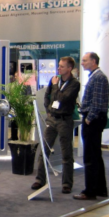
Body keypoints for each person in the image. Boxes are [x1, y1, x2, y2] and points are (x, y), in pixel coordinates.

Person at [32, 57, 80, 193]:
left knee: (67, 153)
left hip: (65, 120)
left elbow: (62, 98)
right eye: (58, 66)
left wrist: (55, 86)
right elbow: (47, 97)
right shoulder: (54, 79)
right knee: (44, 150)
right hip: (52, 119)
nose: (59, 69)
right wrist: (48, 111)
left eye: (62, 67)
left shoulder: (74, 84)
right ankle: (40, 180)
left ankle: (67, 183)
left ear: (69, 69)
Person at [75, 52, 109, 200]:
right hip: (94, 120)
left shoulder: (99, 77)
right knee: (95, 156)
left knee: (90, 157)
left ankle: (90, 191)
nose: (82, 63)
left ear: (93, 61)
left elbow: (97, 102)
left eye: (84, 61)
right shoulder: (96, 76)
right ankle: (100, 189)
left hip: (93, 121)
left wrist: (89, 119)